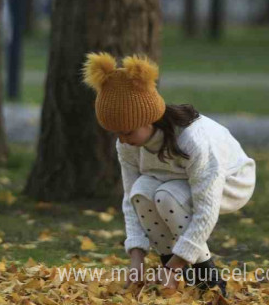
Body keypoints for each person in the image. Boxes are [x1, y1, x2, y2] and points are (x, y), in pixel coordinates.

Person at [82, 52, 256, 294]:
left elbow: (207, 208)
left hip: (231, 181)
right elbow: (130, 199)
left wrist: (177, 263)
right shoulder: (128, 144)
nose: (122, 140)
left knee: (167, 196)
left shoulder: (193, 141)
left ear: (148, 119)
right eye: (116, 133)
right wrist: (136, 257)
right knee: (142, 191)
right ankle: (172, 276)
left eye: (128, 132)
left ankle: (209, 280)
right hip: (174, 180)